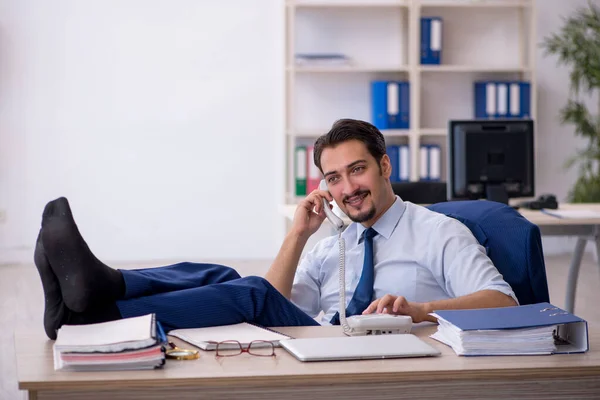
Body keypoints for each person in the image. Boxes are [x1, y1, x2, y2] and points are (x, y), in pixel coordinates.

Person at [34, 118, 517, 340]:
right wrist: (298, 235)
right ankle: (102, 288)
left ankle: (91, 315)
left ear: (385, 166)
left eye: (358, 170)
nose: (348, 187)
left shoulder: (437, 230)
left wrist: (420, 309)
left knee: (251, 294)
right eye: (333, 178)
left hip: (377, 353)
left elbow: (503, 302)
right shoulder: (337, 241)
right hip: (322, 344)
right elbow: (282, 303)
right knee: (225, 276)